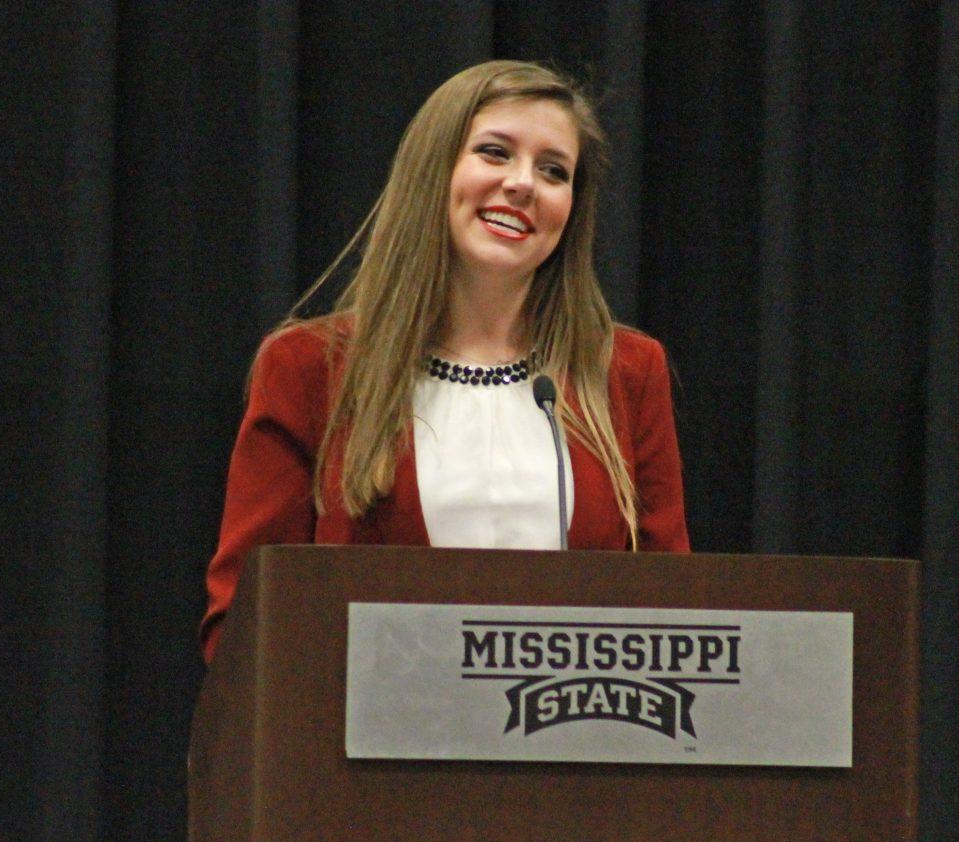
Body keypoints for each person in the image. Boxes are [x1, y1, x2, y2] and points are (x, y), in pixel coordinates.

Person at [200, 60, 688, 663]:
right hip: (366, 749)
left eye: (553, 170)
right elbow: (246, 621)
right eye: (494, 152)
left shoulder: (628, 373)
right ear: (434, 170)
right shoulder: (308, 369)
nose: (523, 184)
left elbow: (677, 620)